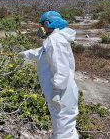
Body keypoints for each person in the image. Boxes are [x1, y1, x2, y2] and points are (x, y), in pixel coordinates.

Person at [18, 11, 79, 139]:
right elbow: (42, 52)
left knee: (63, 127)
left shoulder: (55, 40)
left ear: (47, 23)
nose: (39, 28)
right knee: (66, 125)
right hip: (63, 90)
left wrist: (57, 90)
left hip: (61, 92)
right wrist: (26, 54)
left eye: (41, 24)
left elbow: (61, 66)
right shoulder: (54, 39)